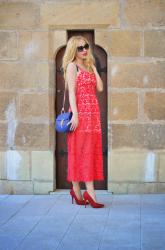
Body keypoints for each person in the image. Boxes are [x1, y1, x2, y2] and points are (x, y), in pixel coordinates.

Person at [62, 35, 105, 208]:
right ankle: (90, 193)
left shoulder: (88, 66)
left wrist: (93, 67)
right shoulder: (72, 66)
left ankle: (77, 191)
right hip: (80, 115)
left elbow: (100, 88)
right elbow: (72, 93)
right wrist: (76, 115)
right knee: (80, 151)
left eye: (86, 46)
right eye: (80, 48)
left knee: (90, 150)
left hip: (93, 115)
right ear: (74, 50)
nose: (84, 50)